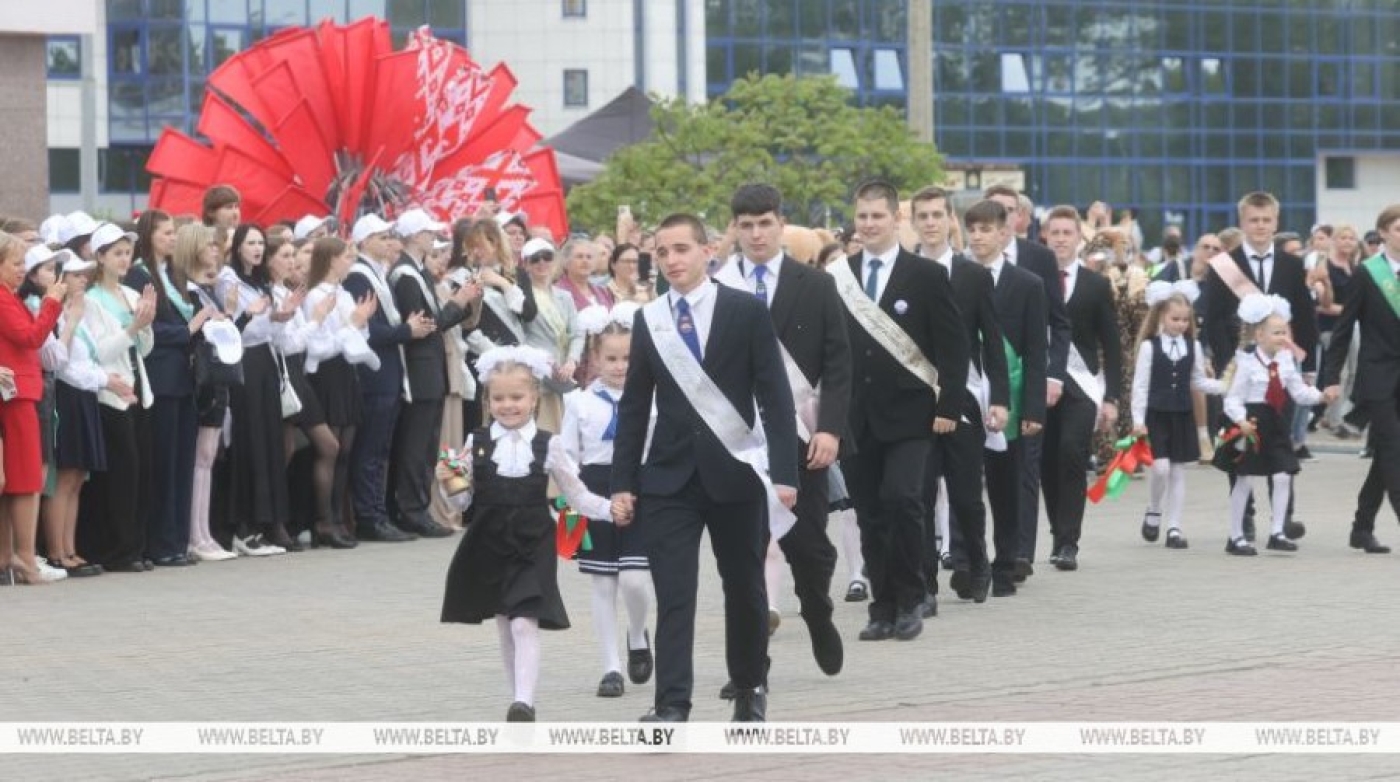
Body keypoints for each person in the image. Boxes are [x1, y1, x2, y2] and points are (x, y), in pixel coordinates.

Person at [610, 212, 798, 723]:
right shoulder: (650, 320)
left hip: (735, 473)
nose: (671, 260)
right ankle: (671, 703)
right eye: (662, 252)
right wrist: (622, 482)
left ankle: (749, 687)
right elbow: (634, 405)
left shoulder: (745, 310)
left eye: (681, 249)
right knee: (674, 594)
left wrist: (785, 473)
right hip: (669, 479)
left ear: (707, 251)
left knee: (745, 588)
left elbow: (775, 397)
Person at [714, 183, 850, 683]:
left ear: (781, 224)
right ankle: (750, 666)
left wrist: (830, 429)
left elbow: (838, 363)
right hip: (736, 440)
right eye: (746, 225)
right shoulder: (716, 286)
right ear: (734, 229)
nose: (756, 234)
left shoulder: (814, 285)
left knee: (808, 548)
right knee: (743, 556)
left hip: (800, 437)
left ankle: (817, 610)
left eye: (765, 223)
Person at [438, 346, 613, 722]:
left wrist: (609, 510)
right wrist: (448, 482)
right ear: (487, 401)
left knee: (523, 621)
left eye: (516, 397)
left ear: (534, 398)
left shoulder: (549, 444)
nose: (508, 405)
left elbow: (576, 495)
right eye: (499, 398)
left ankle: (524, 703)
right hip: (489, 540)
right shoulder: (476, 443)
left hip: (533, 542)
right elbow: (462, 502)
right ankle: (517, 695)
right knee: (505, 624)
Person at [839, 180, 969, 640]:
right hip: (856, 417)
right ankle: (882, 605)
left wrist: (949, 403)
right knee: (869, 513)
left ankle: (913, 597)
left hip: (912, 415)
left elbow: (953, 347)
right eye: (862, 216)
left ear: (896, 219)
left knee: (903, 499)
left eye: (877, 216)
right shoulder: (839, 276)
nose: (868, 224)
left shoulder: (926, 275)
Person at [908, 185, 1008, 606]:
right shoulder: (904, 273)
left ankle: (978, 564)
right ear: (913, 222)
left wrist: (999, 398)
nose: (931, 223)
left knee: (966, 494)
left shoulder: (973, 275)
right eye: (923, 216)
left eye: (937, 214)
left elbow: (992, 341)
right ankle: (925, 582)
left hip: (963, 397)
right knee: (920, 494)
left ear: (950, 219)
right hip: (916, 400)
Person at [561, 306, 654, 699]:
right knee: (602, 583)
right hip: (594, 490)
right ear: (595, 359)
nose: (619, 366)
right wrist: (571, 500)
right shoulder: (579, 403)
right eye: (611, 358)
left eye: (628, 357)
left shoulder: (653, 399)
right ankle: (610, 667)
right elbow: (568, 455)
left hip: (640, 488)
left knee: (635, 580)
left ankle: (638, 634)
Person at [983, 185, 1072, 579]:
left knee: (1025, 468)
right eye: (994, 209)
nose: (1002, 217)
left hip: (1026, 383)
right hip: (981, 383)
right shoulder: (968, 261)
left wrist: (1052, 375)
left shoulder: (1039, 258)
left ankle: (1021, 552)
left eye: (1009, 209)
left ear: (1019, 217)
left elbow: (1059, 322)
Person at [963, 200, 1046, 597]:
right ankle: (966, 559)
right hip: (967, 392)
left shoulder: (1027, 284)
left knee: (1006, 485)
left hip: (1009, 397)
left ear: (1003, 232)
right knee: (964, 482)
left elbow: (1036, 350)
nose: (978, 237)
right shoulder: (955, 277)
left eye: (986, 229)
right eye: (972, 229)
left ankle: (1006, 562)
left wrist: (1032, 408)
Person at [342, 214, 437, 543]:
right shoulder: (359, 276)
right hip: (375, 374)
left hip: (390, 372)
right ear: (364, 241)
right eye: (381, 237)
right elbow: (367, 329)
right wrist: (406, 331)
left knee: (381, 449)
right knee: (371, 450)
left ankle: (378, 512)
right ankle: (369, 516)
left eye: (388, 236)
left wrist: (403, 329)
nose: (388, 242)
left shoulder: (377, 273)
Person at [1039, 205, 1121, 571]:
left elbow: (1112, 344)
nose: (1060, 239)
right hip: (1041, 384)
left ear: (1078, 238)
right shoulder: (1033, 279)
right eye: (1054, 233)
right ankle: (1058, 531)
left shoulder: (1095, 284)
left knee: (1071, 452)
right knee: (1046, 460)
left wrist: (1113, 397)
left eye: (1067, 233)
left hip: (1082, 386)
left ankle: (1069, 541)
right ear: (1045, 237)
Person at [389, 209, 475, 539]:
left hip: (431, 367)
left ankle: (419, 507)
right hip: (420, 368)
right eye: (428, 233)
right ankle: (413, 509)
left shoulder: (417, 271)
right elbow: (427, 325)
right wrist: (458, 302)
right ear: (414, 236)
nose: (433, 238)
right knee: (417, 444)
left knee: (427, 444)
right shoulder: (405, 275)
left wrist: (458, 304)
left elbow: (433, 322)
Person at [217, 224, 302, 554]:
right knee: (250, 441)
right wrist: (269, 319)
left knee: (270, 442)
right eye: (250, 242)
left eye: (260, 243)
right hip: (246, 362)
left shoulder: (260, 282)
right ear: (238, 246)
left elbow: (271, 333)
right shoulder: (230, 279)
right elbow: (240, 329)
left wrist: (282, 317)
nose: (256, 248)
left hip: (266, 361)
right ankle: (245, 524)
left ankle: (270, 520)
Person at [78, 224, 157, 570]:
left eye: (128, 253)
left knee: (141, 471)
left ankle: (135, 546)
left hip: (139, 388)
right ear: (100, 257)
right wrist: (133, 328)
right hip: (111, 393)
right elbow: (100, 352)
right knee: (121, 474)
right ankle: (117, 550)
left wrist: (145, 325)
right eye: (117, 253)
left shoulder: (130, 293)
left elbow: (144, 348)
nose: (125, 259)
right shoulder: (92, 300)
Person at [1322, 205, 1400, 554]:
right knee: (1394, 450)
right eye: (1398, 229)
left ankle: (1361, 527)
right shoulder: (1367, 274)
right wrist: (1331, 378)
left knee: (1385, 455)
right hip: (1378, 377)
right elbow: (1343, 329)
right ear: (1382, 233)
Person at [1222, 294, 1322, 555]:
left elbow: (1299, 392)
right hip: (1252, 423)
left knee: (1283, 474)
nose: (1282, 337)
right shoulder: (1246, 362)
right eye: (1276, 333)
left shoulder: (1286, 361)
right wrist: (1241, 421)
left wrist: (1321, 396)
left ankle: (1277, 532)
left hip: (1276, 422)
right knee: (1244, 479)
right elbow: (1232, 399)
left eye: (1284, 332)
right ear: (1259, 335)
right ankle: (1235, 536)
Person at [1131, 283, 1224, 549]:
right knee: (1160, 468)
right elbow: (1140, 386)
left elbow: (1198, 381)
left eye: (1185, 320)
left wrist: (1225, 385)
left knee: (1178, 470)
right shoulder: (1149, 347)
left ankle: (1174, 527)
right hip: (1156, 415)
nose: (1181, 324)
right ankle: (1154, 508)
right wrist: (1138, 420)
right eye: (1175, 319)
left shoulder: (1193, 346)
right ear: (1162, 316)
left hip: (1182, 414)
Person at [302, 236, 380, 548]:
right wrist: (352, 326)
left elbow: (360, 337)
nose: (351, 262)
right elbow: (318, 346)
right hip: (327, 373)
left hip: (347, 371)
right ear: (331, 260)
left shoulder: (343, 293)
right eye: (346, 257)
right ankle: (324, 520)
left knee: (346, 449)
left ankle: (338, 516)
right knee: (330, 450)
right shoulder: (315, 295)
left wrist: (359, 323)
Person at [0, 233, 68, 584]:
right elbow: (30, 337)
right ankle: (24, 557)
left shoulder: (9, 296)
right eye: (15, 264)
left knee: (19, 478)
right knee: (25, 478)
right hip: (16, 394)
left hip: (20, 391)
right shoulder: (3, 298)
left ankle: (12, 555)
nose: (21, 270)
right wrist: (52, 304)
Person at [176, 224, 239, 561]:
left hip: (218, 376)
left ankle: (203, 532)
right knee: (200, 457)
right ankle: (194, 535)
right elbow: (199, 332)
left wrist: (228, 314)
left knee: (208, 456)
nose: (215, 250)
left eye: (216, 246)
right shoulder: (189, 290)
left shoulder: (208, 289)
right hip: (203, 378)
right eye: (208, 245)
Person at [520, 238, 583, 432]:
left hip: (564, 377)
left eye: (547, 257)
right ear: (525, 264)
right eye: (535, 259)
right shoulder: (520, 297)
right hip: (537, 378)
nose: (542, 263)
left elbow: (577, 333)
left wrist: (572, 361)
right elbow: (520, 336)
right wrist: (543, 361)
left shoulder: (565, 296)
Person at [556, 239, 615, 311]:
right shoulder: (558, 291)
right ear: (567, 262)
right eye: (579, 256)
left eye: (589, 257)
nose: (585, 261)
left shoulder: (603, 292)